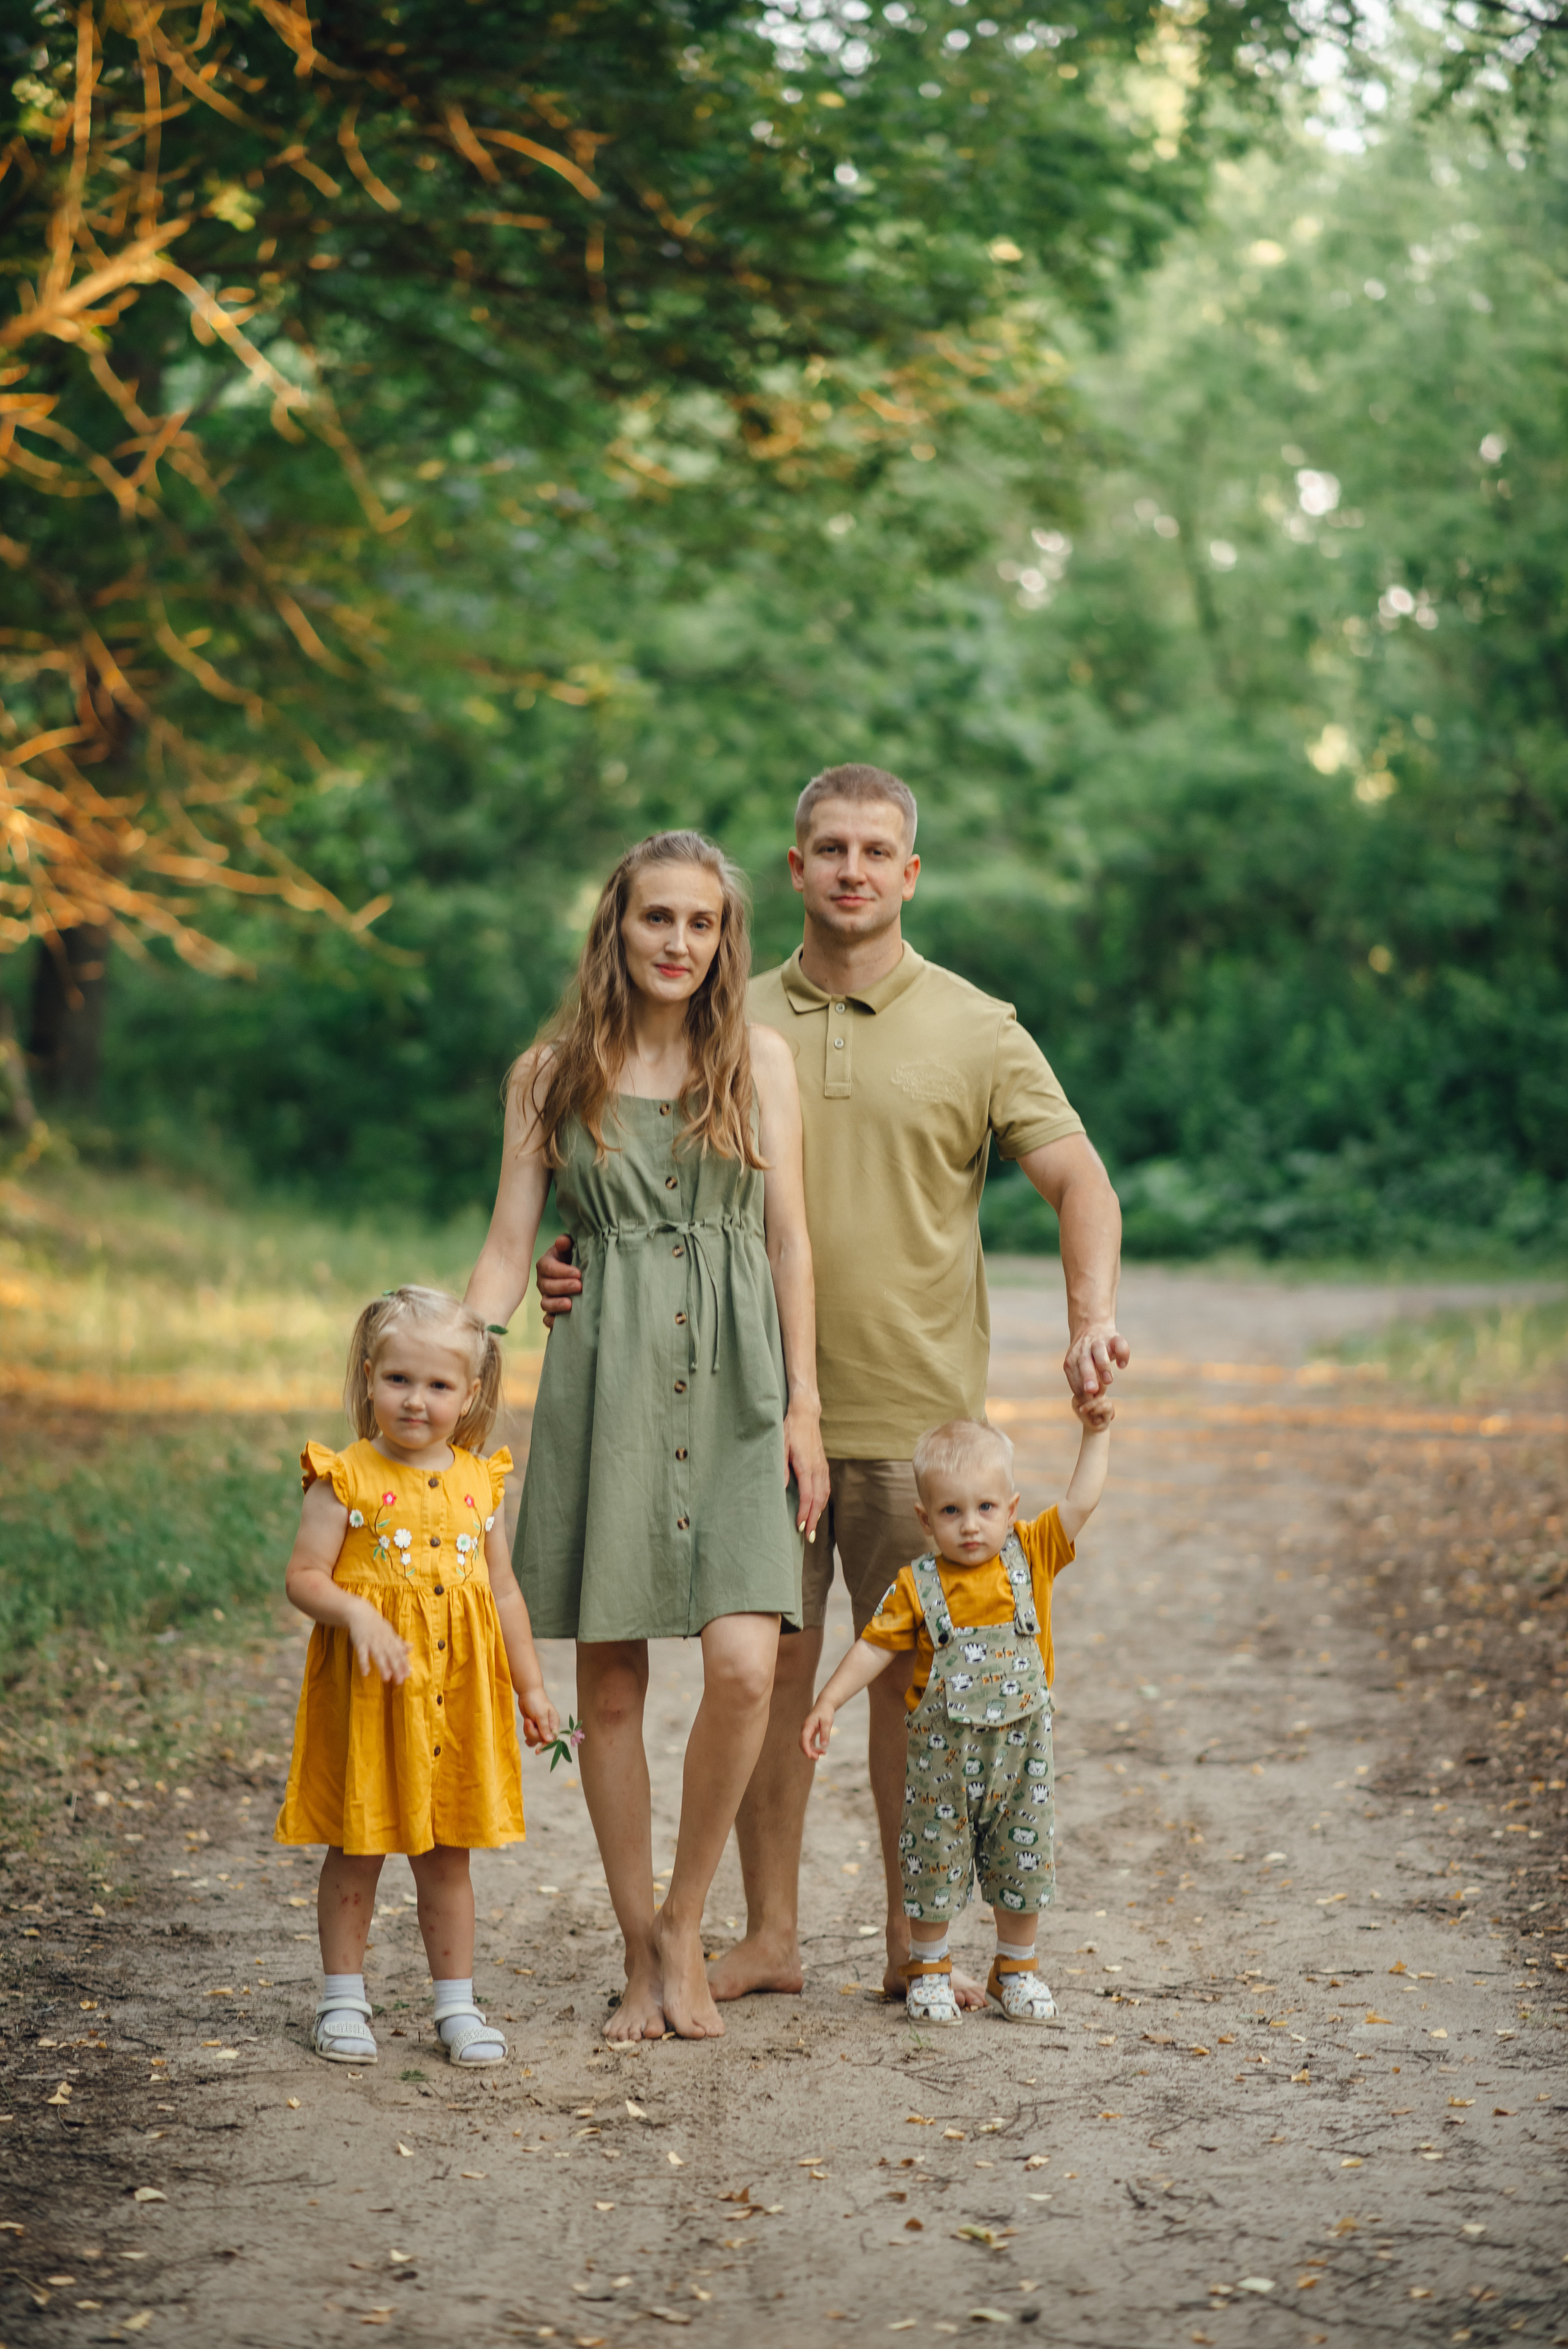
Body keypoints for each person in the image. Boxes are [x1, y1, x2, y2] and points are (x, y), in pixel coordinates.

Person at [537, 765, 1127, 2011]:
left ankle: (918, 1945)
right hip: (741, 1419)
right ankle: (766, 1938)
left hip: (918, 1435)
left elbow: (1081, 1183)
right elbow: (619, 1181)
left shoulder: (977, 1027)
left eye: (878, 850)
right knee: (763, 1682)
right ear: (794, 868)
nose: (852, 868)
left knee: (926, 1692)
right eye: (829, 848)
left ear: (909, 875)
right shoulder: (712, 1013)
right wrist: (566, 1264)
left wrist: (1090, 1327)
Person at [466, 830, 830, 2042]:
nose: (678, 942)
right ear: (615, 926)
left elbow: (786, 1242)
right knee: (609, 1686)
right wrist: (446, 1379)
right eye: (656, 918)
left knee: (744, 1663)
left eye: (702, 923)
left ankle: (686, 1920)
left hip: (736, 1389)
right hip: (604, 1382)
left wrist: (806, 1407)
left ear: (726, 938)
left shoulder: (757, 1060)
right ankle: (640, 1957)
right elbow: (513, 1250)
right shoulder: (548, 1074)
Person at [276, 1285, 560, 2068]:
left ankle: (455, 2006)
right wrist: (357, 1614)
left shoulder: (481, 1483)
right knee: (357, 1846)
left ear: (469, 1395)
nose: (416, 1401)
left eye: (438, 1386)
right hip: (371, 1699)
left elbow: (503, 1592)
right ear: (369, 1378)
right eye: (399, 1380)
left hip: (455, 1704)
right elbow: (304, 1577)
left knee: (447, 1855)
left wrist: (529, 1686)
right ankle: (341, 2001)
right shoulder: (347, 1479)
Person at [801, 1406, 1111, 2025]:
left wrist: (1096, 1432)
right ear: (924, 1519)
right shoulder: (918, 1585)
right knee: (931, 1865)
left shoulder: (1033, 1555)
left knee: (1022, 1866)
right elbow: (870, 1646)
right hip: (943, 1772)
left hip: (1020, 1766)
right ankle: (929, 1967)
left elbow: (1082, 1500)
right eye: (951, 1511)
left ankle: (1015, 1968)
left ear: (1012, 1507)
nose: (970, 1526)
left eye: (985, 1508)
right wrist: (829, 1700)